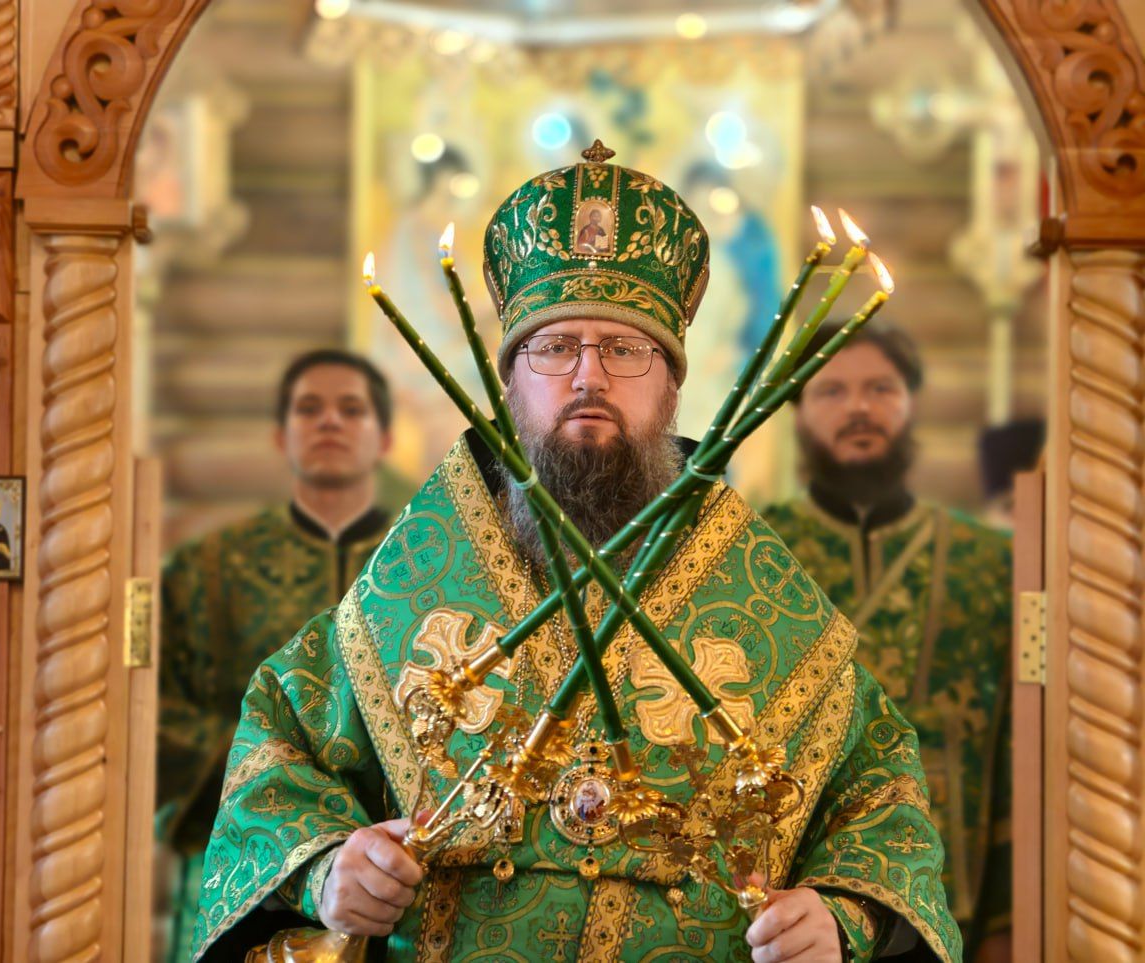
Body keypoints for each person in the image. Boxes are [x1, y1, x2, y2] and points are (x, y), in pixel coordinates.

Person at [190, 146, 961, 962]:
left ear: (670, 385)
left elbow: (881, 794)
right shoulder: (414, 577)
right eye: (554, 347)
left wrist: (839, 917)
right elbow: (277, 745)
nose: (589, 375)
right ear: (510, 382)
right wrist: (326, 869)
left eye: (625, 350)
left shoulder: (759, 585)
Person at [762, 322, 1012, 962]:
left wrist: (1010, 920)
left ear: (911, 403)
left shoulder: (990, 563)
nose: (860, 408)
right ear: (798, 411)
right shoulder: (755, 553)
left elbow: (1020, 747)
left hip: (960, 893)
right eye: (832, 391)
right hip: (801, 904)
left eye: (881, 389)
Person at [155, 349, 395, 963]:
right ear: (280, 435)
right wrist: (263, 767)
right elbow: (154, 705)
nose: (330, 422)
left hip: (389, 865)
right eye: (309, 409)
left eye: (351, 409)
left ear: (386, 438)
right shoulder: (212, 566)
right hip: (243, 855)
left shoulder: (418, 566)